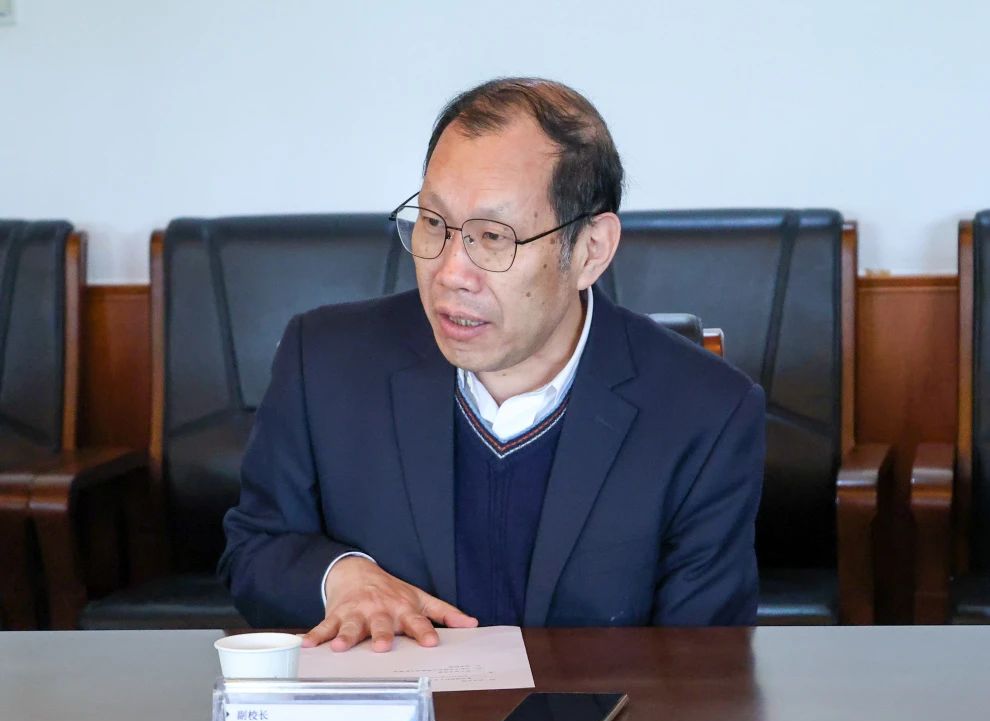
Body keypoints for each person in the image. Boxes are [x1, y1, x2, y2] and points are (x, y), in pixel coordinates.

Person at [219, 77, 765, 652]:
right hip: (397, 708)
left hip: (605, 711)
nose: (451, 272)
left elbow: (704, 666)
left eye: (493, 237)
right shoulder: (325, 360)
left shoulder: (706, 413)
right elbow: (255, 548)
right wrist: (340, 577)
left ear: (590, 251)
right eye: (434, 223)